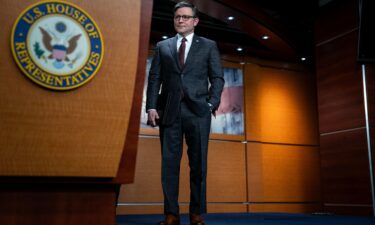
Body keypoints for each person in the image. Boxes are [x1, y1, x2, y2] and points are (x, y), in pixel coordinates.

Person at [146, 1, 224, 225]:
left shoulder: (208, 46)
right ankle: (171, 214)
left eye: (185, 17)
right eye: (177, 17)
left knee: (198, 164)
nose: (180, 20)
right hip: (169, 112)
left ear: (195, 21)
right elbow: (155, 79)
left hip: (198, 111)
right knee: (169, 165)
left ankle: (196, 213)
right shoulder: (163, 47)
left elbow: (217, 78)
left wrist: (211, 103)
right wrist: (151, 106)